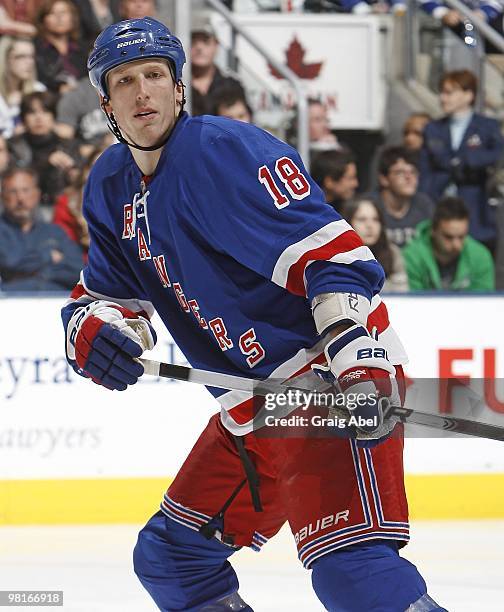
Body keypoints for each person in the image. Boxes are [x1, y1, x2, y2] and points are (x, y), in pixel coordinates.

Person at [60, 17, 448, 612]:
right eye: (125, 80)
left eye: (155, 75)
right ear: (105, 99)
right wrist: (93, 330)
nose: (143, 92)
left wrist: (359, 363)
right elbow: (111, 301)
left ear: (179, 86)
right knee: (173, 560)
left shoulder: (225, 151)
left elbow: (334, 258)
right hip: (252, 409)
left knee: (354, 573)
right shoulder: (109, 184)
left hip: (321, 387)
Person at [419, 69, 504, 248]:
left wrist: (468, 160)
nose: (443, 98)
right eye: (441, 92)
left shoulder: (487, 126)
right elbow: (425, 170)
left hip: (477, 211)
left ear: (468, 95)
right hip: (439, 206)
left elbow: (498, 153)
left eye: (449, 92)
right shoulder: (433, 128)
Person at [0, 166, 83, 291]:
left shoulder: (55, 233)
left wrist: (44, 274)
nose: (20, 198)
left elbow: (78, 270)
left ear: (37, 194)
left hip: (53, 303)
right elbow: (10, 262)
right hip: (10, 304)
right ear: (2, 196)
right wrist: (48, 255)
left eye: (25, 190)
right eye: (13, 191)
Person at [9, 90, 82, 210]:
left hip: (61, 206)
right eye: (32, 112)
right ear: (23, 118)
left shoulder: (68, 146)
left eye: (45, 111)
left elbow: (81, 179)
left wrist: (73, 173)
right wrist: (46, 164)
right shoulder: (13, 146)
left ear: (53, 116)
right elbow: (13, 178)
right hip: (24, 207)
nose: (39, 117)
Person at [403, 196, 495, 291]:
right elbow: (413, 302)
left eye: (461, 237)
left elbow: (482, 302)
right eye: (448, 237)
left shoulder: (480, 257)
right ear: (433, 230)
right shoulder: (411, 257)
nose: (456, 245)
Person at [373, 146, 435, 249]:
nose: (408, 177)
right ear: (384, 179)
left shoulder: (425, 206)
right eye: (400, 172)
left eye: (413, 172)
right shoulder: (370, 207)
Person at [344, 197, 409, 292]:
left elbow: (402, 290)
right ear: (348, 223)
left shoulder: (393, 253)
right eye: (362, 219)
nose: (370, 225)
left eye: (376, 219)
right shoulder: (337, 256)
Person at [190, 12, 245, 116]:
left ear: (216, 46)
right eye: (193, 42)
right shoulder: (175, 86)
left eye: (206, 42)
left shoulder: (232, 86)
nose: (199, 48)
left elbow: (243, 123)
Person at [34, 0, 88, 94]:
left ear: (73, 17)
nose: (59, 18)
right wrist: (58, 89)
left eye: (63, 12)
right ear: (43, 19)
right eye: (52, 13)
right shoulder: (36, 48)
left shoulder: (82, 49)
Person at [0, 35, 46, 138]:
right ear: (5, 59)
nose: (30, 62)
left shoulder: (38, 89)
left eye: (31, 56)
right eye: (21, 57)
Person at [311, 148, 359, 213]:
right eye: (350, 178)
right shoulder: (309, 212)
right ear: (329, 182)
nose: (355, 184)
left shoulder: (347, 209)